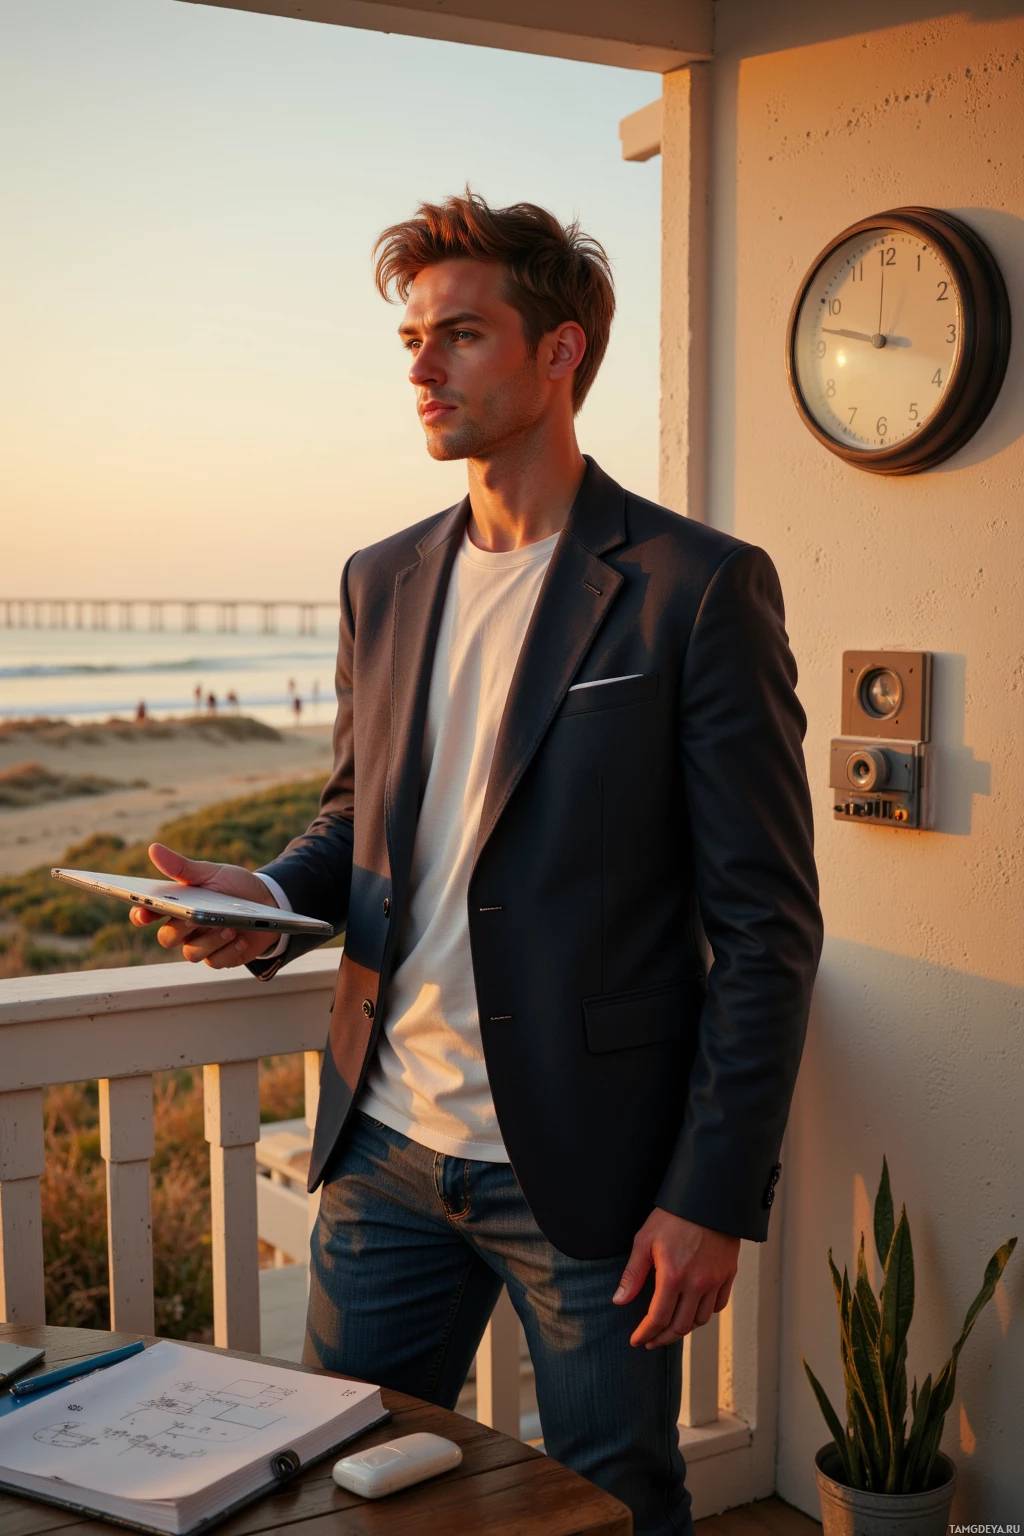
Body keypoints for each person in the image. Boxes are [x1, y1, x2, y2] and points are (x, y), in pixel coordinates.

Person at [130, 192, 822, 1536]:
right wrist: (264, 899)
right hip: (385, 1148)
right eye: (411, 340)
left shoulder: (695, 587)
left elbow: (769, 930)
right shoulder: (380, 579)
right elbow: (360, 821)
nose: (421, 367)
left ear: (559, 352)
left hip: (596, 1174)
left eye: (459, 335)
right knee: (340, 1488)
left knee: (616, 1502)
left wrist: (710, 1196)